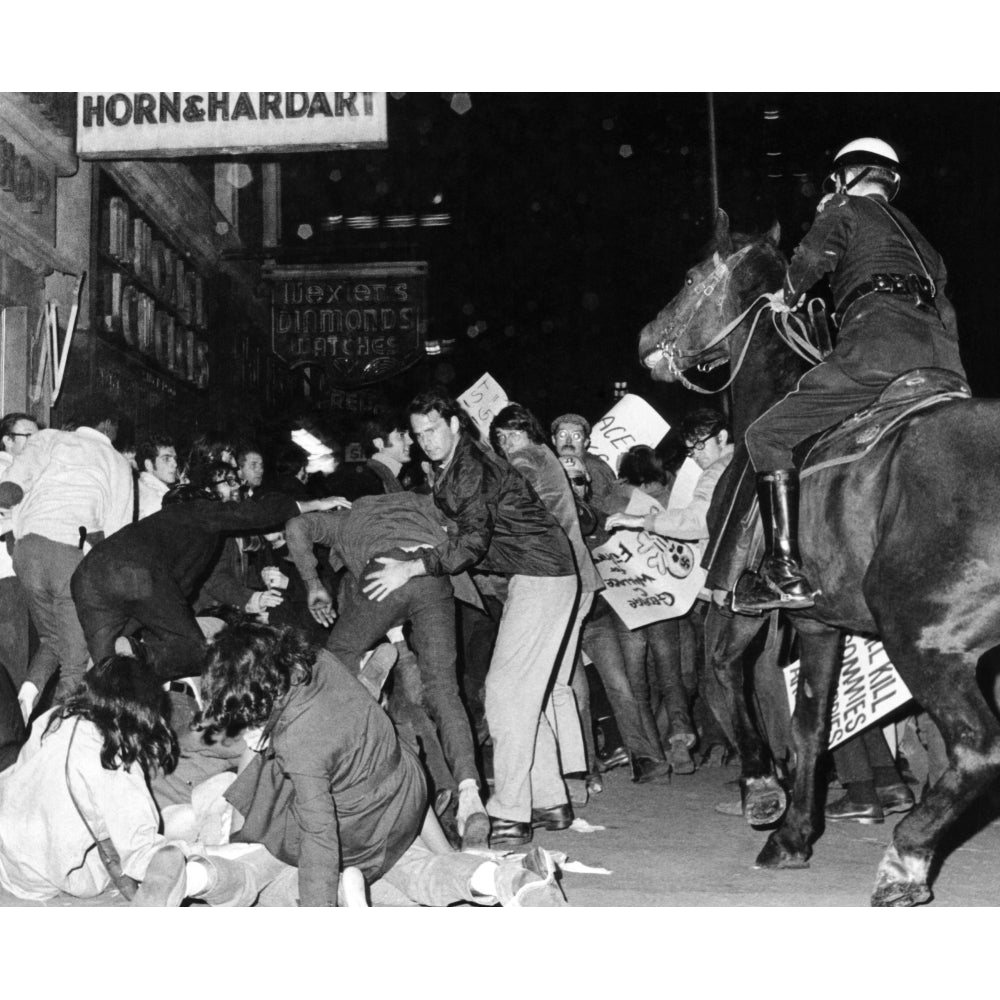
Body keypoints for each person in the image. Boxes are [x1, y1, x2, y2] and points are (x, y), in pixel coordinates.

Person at [739, 138, 966, 613]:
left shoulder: (844, 206)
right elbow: (945, 307)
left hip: (876, 349)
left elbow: (813, 257)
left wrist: (788, 292)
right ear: (890, 181)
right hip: (942, 361)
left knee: (766, 435)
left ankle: (783, 571)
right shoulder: (924, 244)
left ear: (846, 177)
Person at [199, 621, 568, 907]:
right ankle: (508, 879)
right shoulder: (317, 660)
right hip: (405, 785)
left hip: (362, 824)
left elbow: (319, 837)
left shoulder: (299, 744)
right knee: (411, 871)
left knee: (275, 878)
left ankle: (209, 875)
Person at [364, 387, 580, 850]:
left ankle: (510, 811)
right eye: (420, 434)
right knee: (523, 692)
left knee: (503, 692)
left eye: (434, 430)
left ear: (455, 426)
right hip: (540, 573)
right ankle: (549, 800)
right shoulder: (454, 466)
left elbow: (473, 543)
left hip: (542, 575)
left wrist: (413, 566)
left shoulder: (468, 468)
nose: (428, 440)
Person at [285, 490, 490, 849]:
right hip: (431, 576)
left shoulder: (348, 516)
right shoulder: (421, 502)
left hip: (384, 574)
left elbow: (296, 525)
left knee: (336, 659)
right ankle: (470, 791)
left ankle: (358, 716)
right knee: (443, 689)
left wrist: (314, 584)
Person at [70, 476, 347, 684]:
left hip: (86, 575)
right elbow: (254, 512)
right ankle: (136, 655)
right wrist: (313, 504)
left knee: (103, 674)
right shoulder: (197, 511)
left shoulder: (154, 529)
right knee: (194, 650)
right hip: (135, 572)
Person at [607, 409, 736, 773]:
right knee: (676, 670)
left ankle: (652, 754)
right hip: (675, 593)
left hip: (637, 595)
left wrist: (640, 521)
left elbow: (697, 521)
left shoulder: (714, 472)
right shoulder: (738, 464)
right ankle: (682, 738)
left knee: (643, 677)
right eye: (690, 446)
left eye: (698, 445)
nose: (693, 454)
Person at [490, 403, 600, 800]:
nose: (507, 444)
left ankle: (553, 783)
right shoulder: (546, 457)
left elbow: (503, 513)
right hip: (579, 577)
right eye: (500, 437)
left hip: (555, 578)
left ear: (529, 433)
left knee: (532, 684)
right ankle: (572, 778)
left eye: (513, 434)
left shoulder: (526, 459)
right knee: (557, 681)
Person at [0, 397, 133, 714]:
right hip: (66, 558)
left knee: (51, 639)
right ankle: (55, 731)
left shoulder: (49, 438)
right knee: (75, 664)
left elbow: (19, 476)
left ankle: (25, 697)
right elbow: (119, 535)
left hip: (25, 552)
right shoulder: (116, 462)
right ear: (109, 427)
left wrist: (12, 496)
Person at [551, 412, 617, 512]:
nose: (568, 441)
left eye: (576, 436)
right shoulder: (553, 463)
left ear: (586, 442)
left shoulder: (593, 468)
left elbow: (597, 513)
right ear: (554, 440)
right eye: (563, 435)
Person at [135, 435, 179, 519]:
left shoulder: (140, 485)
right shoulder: (158, 500)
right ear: (149, 465)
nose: (175, 464)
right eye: (166, 459)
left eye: (175, 458)